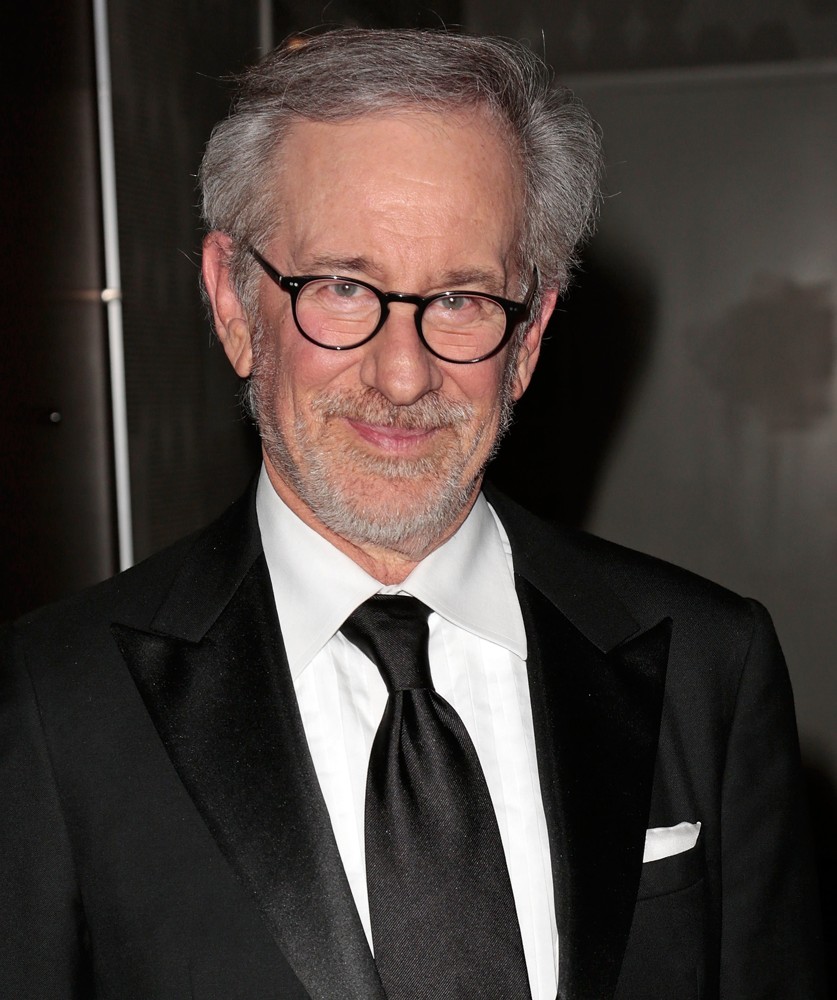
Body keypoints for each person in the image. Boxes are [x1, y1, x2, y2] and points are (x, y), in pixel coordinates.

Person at [0, 27, 824, 1000]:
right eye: (343, 287)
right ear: (232, 301)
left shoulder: (709, 664)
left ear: (530, 335)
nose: (403, 375)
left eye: (463, 298)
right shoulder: (53, 705)